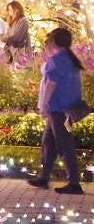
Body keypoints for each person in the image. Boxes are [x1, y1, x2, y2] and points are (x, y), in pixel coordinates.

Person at [27, 28, 85, 195]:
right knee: (49, 143)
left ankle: (74, 182)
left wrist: (43, 106)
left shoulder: (56, 61)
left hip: (58, 110)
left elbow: (51, 84)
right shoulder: (70, 59)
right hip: (67, 109)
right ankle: (43, 177)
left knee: (64, 146)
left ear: (53, 42)